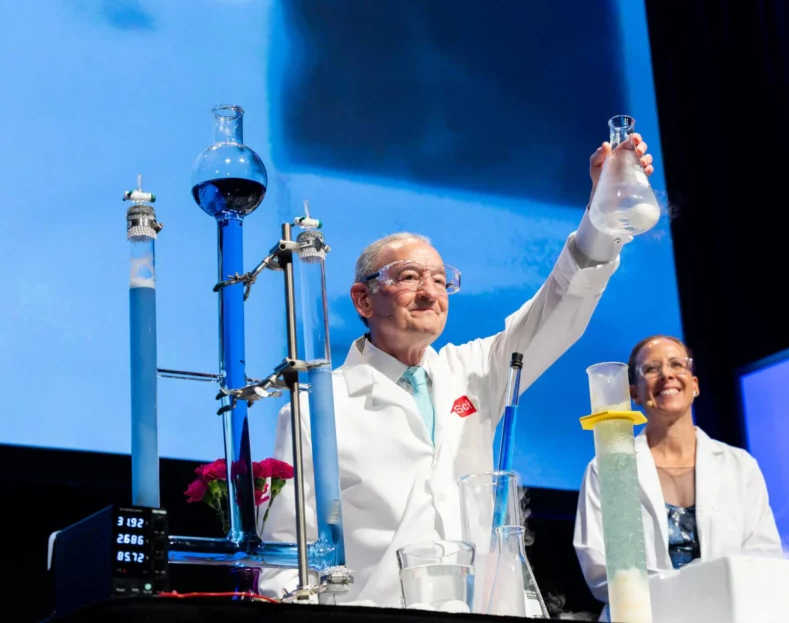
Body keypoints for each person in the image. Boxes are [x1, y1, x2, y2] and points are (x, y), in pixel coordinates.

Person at [261, 137, 655, 606]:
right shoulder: (316, 409)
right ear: (364, 300)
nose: (430, 292)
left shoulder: (473, 371)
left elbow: (560, 305)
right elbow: (286, 555)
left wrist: (601, 214)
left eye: (440, 279)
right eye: (409, 277)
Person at [573, 335, 782, 618]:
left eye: (676, 364)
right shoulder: (606, 467)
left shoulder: (739, 465)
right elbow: (600, 568)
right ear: (634, 393)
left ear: (694, 384)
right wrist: (681, 597)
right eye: (651, 369)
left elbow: (765, 556)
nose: (666, 374)